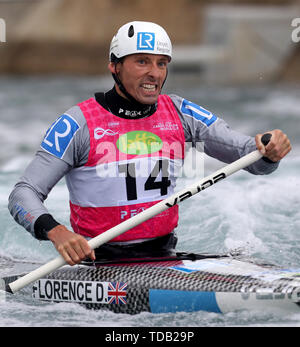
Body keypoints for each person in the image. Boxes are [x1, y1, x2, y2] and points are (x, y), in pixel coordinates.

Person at [8, 21, 291, 266]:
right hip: (98, 264)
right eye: (142, 61)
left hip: (163, 257)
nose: (154, 73)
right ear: (114, 66)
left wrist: (270, 150)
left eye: (161, 63)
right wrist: (56, 231)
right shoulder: (77, 124)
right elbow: (23, 193)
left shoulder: (182, 113)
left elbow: (252, 159)